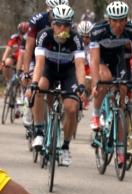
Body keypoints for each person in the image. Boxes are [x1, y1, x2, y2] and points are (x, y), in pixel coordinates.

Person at [27, 4, 86, 167]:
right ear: (52, 24)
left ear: (71, 25)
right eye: (58, 24)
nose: (62, 28)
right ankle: (39, 131)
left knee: (71, 108)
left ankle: (65, 146)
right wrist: (33, 84)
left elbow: (80, 66)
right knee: (40, 87)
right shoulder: (43, 35)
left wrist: (81, 86)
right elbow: (39, 64)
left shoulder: (75, 39)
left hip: (68, 72)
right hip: (49, 69)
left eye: (66, 24)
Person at [88, 0, 132, 166]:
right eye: (115, 20)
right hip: (103, 59)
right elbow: (95, 58)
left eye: (122, 20)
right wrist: (95, 84)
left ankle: (121, 148)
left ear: (126, 20)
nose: (118, 24)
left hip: (120, 60)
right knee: (105, 79)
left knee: (122, 97)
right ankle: (96, 115)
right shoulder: (98, 30)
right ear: (109, 20)